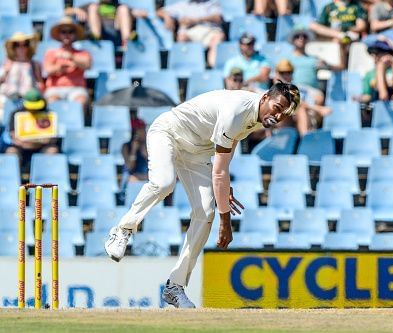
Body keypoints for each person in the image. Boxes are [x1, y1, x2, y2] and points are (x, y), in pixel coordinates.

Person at [103, 82, 301, 308]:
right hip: (168, 132)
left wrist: (224, 187)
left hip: (196, 153)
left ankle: (175, 286)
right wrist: (226, 222)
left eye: (284, 113)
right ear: (265, 97)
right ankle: (122, 230)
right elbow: (220, 169)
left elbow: (230, 147)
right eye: (277, 107)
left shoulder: (257, 117)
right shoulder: (238, 108)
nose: (278, 115)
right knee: (164, 183)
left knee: (205, 212)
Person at [157, 0, 225, 68]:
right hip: (190, 33)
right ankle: (185, 66)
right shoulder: (182, 5)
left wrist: (196, 20)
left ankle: (213, 67)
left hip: (210, 31)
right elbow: (159, 12)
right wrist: (167, 17)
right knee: (182, 37)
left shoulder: (212, 3)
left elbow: (218, 17)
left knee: (218, 37)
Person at [43, 17, 92, 107]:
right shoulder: (51, 52)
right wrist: (60, 68)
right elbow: (47, 71)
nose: (67, 35)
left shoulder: (83, 53)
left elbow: (87, 65)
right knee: (52, 101)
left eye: (70, 32)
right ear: (59, 34)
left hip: (77, 89)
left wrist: (71, 57)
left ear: (75, 34)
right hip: (55, 89)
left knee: (81, 102)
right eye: (63, 32)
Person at [5, 89, 59, 167]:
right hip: (22, 148)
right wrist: (38, 141)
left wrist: (29, 142)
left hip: (42, 148)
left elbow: (51, 138)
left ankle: (46, 177)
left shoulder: (49, 114)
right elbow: (15, 138)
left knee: (52, 151)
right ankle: (12, 178)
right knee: (11, 152)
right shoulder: (16, 114)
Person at [75, 0, 146, 50]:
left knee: (123, 9)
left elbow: (141, 13)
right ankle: (96, 38)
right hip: (99, 33)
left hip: (116, 33)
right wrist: (77, 11)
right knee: (93, 7)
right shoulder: (91, 5)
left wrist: (138, 13)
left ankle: (127, 42)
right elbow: (67, 11)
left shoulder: (119, 6)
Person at [0, 32, 43, 111]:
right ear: (13, 47)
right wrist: (6, 70)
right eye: (17, 45)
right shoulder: (8, 63)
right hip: (9, 98)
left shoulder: (34, 64)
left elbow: (40, 83)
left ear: (28, 47)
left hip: (28, 100)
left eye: (25, 44)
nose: (21, 48)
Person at [287, 26, 325, 106]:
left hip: (311, 91)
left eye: (304, 36)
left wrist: (325, 63)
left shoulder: (314, 59)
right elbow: (278, 77)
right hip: (293, 89)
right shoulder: (287, 59)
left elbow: (335, 68)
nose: (301, 39)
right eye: (297, 36)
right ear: (293, 39)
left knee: (319, 98)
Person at [122, 118, 148, 182]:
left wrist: (146, 155)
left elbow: (156, 167)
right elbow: (130, 167)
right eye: (141, 130)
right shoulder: (126, 147)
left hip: (148, 177)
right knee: (132, 178)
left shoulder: (150, 145)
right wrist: (133, 151)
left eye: (144, 129)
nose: (144, 132)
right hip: (134, 179)